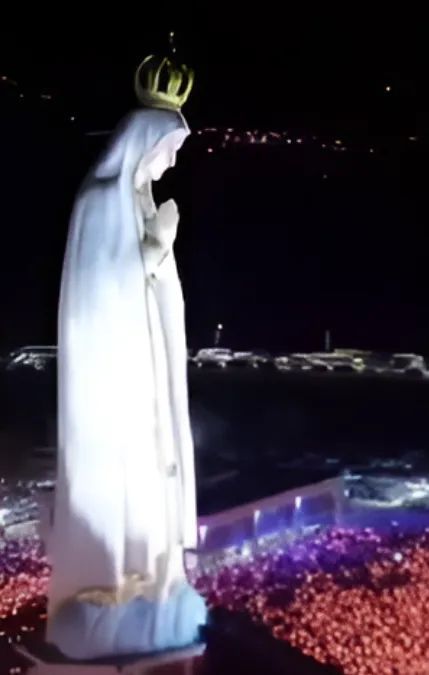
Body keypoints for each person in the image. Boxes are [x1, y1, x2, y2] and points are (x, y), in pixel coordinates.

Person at [47, 55, 205, 659]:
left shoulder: (135, 203)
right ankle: (111, 586)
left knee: (148, 482)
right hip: (110, 378)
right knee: (118, 483)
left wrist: (156, 253)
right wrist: (154, 250)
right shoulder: (97, 203)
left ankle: (151, 578)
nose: (170, 162)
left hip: (141, 373)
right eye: (167, 149)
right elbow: (99, 292)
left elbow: (141, 285)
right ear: (141, 144)